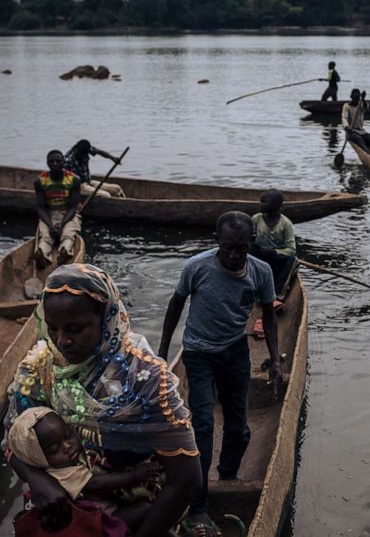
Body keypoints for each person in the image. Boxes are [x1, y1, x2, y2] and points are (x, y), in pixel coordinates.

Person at [4, 263, 202, 537]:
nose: (62, 341)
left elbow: (186, 481)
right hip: (68, 503)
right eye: (52, 328)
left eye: (75, 329)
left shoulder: (146, 379)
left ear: (105, 317)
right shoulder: (41, 367)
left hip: (140, 507)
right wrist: (39, 481)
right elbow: (14, 441)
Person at [158, 211, 283, 536]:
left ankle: (227, 475)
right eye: (227, 248)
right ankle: (199, 505)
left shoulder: (261, 272)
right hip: (198, 353)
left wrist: (276, 360)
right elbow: (176, 305)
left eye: (240, 249)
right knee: (201, 425)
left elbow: (269, 316)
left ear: (250, 244)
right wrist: (162, 352)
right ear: (217, 242)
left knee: (239, 428)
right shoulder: (196, 267)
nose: (233, 255)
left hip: (235, 351)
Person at [8, 407, 163, 534]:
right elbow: (94, 484)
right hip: (98, 519)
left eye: (68, 435)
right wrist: (135, 476)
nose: (67, 446)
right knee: (147, 508)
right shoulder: (61, 474)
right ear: (38, 457)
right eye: (55, 449)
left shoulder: (56, 466)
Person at [250, 189, 298, 318]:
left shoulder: (285, 223)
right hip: (260, 259)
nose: (260, 205)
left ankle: (275, 295)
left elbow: (291, 249)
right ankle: (252, 287)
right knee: (249, 250)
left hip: (275, 259)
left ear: (276, 205)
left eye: (264, 202)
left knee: (292, 259)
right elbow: (249, 238)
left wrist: (274, 252)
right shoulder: (256, 219)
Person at [34, 149, 82, 267]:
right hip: (49, 214)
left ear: (63, 162)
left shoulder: (73, 179)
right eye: (51, 161)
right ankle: (42, 254)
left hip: (68, 214)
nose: (54, 164)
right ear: (47, 163)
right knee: (45, 236)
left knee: (68, 234)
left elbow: (72, 208)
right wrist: (51, 226)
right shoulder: (40, 181)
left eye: (57, 161)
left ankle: (64, 253)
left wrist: (61, 225)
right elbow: (41, 208)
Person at [341, 89, 370, 159]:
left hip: (361, 132)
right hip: (351, 132)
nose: (356, 100)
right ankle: (368, 155)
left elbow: (366, 106)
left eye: (358, 98)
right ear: (351, 97)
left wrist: (363, 99)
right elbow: (344, 118)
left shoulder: (360, 104)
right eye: (355, 98)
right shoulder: (346, 106)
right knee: (359, 139)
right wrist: (347, 127)